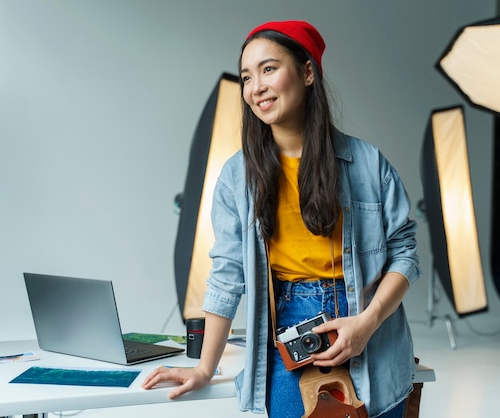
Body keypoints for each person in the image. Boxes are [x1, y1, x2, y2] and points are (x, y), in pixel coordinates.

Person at [142, 20, 421, 418]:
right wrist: (204, 367)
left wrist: (367, 323)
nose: (256, 87)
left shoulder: (368, 164)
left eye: (269, 69)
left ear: (308, 72)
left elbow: (404, 254)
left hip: (370, 324)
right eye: (246, 76)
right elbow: (227, 274)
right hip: (289, 325)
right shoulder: (237, 177)